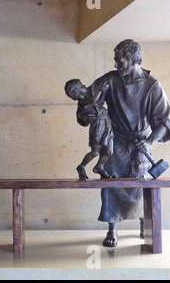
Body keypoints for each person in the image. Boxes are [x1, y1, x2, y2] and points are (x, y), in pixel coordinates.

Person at [78, 39, 170, 247]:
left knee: (139, 184)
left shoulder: (151, 85)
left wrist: (149, 142)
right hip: (114, 140)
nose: (116, 65)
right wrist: (91, 101)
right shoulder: (110, 79)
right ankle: (112, 229)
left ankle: (143, 223)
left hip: (140, 142)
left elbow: (166, 119)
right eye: (115, 61)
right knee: (110, 183)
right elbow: (89, 104)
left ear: (134, 60)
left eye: (120, 61)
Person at [65, 79, 113, 179]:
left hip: (106, 123)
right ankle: (81, 166)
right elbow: (92, 100)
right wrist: (100, 90)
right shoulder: (82, 102)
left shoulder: (88, 97)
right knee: (95, 152)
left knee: (109, 151)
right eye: (82, 86)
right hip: (98, 126)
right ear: (76, 92)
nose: (85, 85)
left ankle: (100, 167)